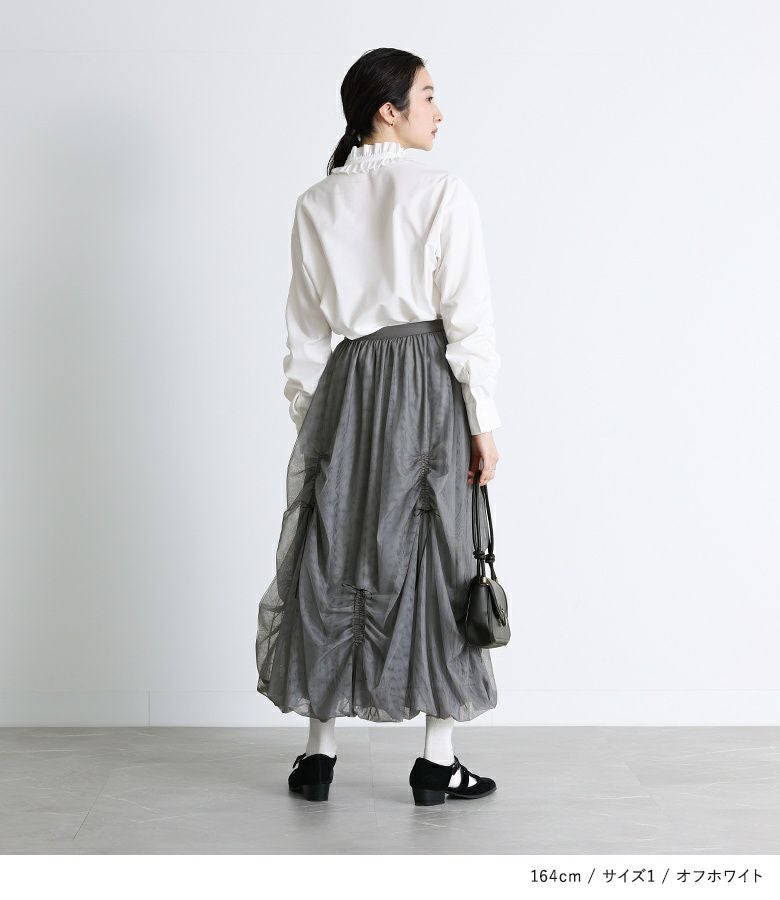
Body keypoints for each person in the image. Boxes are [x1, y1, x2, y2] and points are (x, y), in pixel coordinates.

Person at [255, 47, 502, 806]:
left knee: (334, 552)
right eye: (427, 96)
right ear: (388, 110)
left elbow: (305, 334)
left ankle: (317, 754)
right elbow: (467, 318)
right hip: (428, 382)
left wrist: (317, 425)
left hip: (349, 387)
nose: (439, 112)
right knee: (439, 552)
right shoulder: (442, 192)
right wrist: (483, 419)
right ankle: (436, 759)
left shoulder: (316, 202)